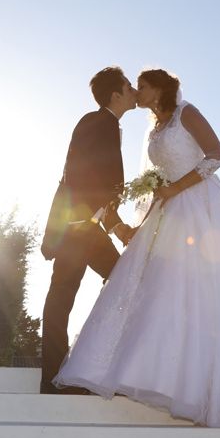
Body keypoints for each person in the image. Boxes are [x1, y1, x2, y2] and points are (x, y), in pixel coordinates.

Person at [54, 68, 220, 427]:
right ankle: (152, 373)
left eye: (143, 85)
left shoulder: (187, 114)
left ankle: (209, 386)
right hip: (166, 212)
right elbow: (155, 183)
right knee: (158, 289)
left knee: (204, 289)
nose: (138, 90)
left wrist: (176, 189)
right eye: (134, 86)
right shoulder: (151, 130)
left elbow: (216, 156)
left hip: (203, 208)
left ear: (159, 88)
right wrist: (140, 220)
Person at [39, 66, 138, 394]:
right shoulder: (96, 122)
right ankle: (58, 376)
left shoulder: (108, 124)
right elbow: (77, 175)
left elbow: (100, 187)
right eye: (128, 86)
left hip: (86, 228)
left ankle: (85, 367)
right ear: (116, 94)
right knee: (65, 296)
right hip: (77, 229)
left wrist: (116, 226)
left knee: (117, 283)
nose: (134, 90)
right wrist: (82, 222)